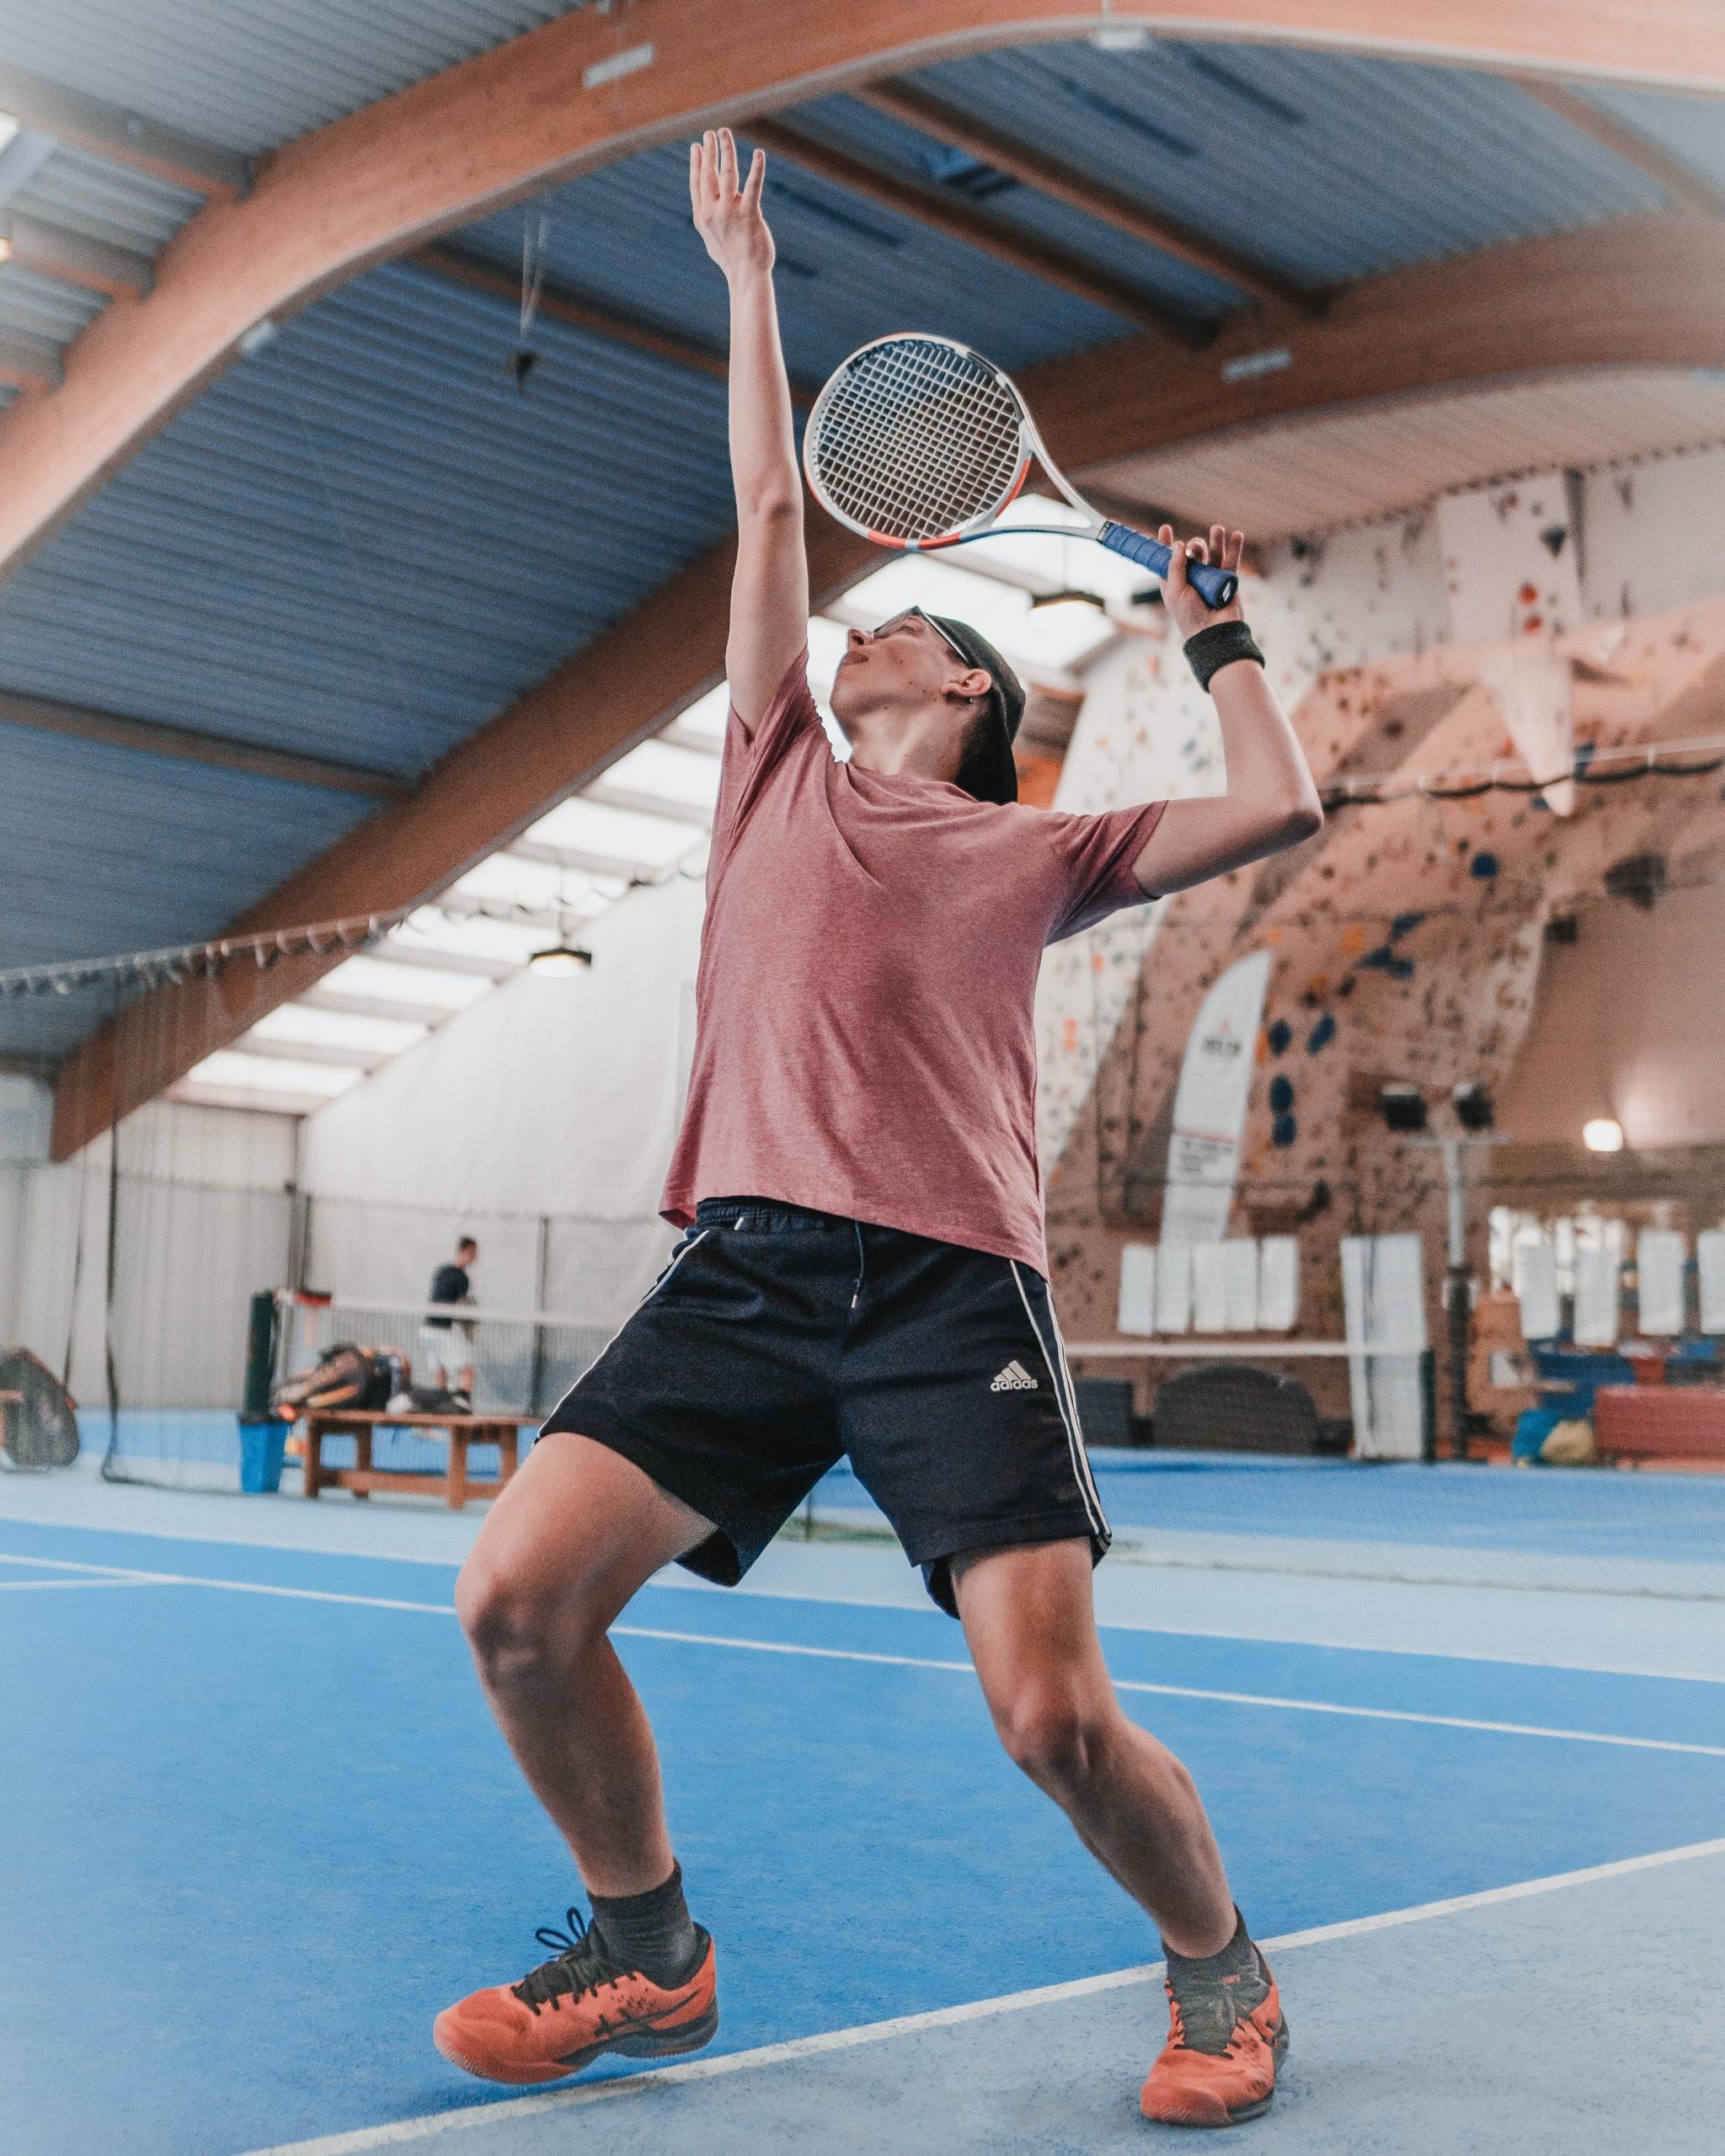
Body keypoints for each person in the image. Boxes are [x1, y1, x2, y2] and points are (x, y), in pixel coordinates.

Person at [435, 131, 1322, 2128]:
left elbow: (1276, 806)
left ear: (969, 685)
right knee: (511, 1600)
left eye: (889, 631)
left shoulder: (1034, 848)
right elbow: (766, 499)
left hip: (946, 1287)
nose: (850, 632)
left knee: (1052, 1720)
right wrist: (743, 278)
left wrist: (1218, 641)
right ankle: (648, 1949)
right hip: (744, 1267)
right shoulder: (775, 771)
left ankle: (1223, 1972)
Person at [419, 1235, 477, 1404]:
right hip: (441, 1331)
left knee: (440, 1373)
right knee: (467, 1372)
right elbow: (461, 1306)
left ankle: (438, 1414)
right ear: (465, 1251)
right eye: (473, 1253)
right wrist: (470, 1329)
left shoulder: (441, 1271)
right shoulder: (462, 1278)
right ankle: (462, 1408)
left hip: (426, 1331)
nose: (475, 1258)